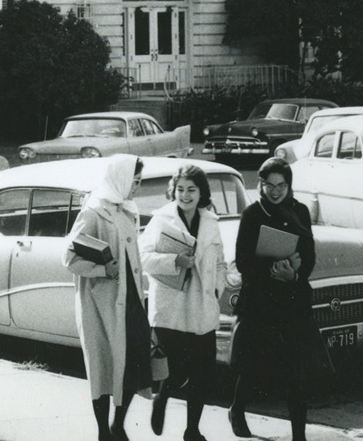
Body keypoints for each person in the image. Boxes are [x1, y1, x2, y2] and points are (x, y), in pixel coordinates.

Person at [63, 154, 152, 441]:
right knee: (102, 366)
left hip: (130, 300)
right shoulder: (93, 211)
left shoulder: (127, 209)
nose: (136, 187)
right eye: (134, 181)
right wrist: (102, 269)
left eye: (139, 181)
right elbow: (69, 257)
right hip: (101, 304)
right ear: (120, 179)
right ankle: (104, 430)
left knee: (134, 364)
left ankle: (118, 424)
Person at [228, 156, 316, 441]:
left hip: (292, 301)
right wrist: (273, 269)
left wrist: (293, 275)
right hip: (260, 302)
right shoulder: (253, 214)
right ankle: (237, 410)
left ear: (289, 185)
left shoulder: (300, 211)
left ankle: (299, 435)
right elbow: (242, 261)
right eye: (270, 185)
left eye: (282, 185)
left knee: (296, 372)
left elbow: (310, 256)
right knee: (252, 365)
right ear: (261, 184)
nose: (276, 191)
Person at [139, 164, 227, 441]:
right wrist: (174, 260)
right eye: (180, 189)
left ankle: (192, 430)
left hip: (202, 307)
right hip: (172, 307)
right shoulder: (161, 220)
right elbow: (142, 258)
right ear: (173, 191)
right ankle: (161, 398)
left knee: (202, 373)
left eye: (191, 190)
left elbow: (221, 262)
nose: (185, 195)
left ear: (201, 193)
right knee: (174, 371)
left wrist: (217, 288)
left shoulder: (211, 222)